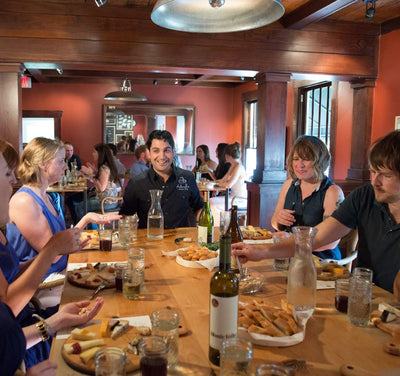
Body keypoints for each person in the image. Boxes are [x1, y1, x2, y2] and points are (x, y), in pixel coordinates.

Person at [232, 130, 400, 297]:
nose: (374, 182)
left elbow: (329, 244)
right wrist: (261, 252)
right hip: (365, 294)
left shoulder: (332, 191)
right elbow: (315, 238)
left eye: (385, 175)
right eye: (372, 172)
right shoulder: (365, 195)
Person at [0, 138, 105, 374]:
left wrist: (86, 220)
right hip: (44, 287)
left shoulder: (48, 196)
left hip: (33, 305)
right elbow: (55, 255)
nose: (13, 181)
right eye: (7, 174)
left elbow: (55, 248)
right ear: (44, 164)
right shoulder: (25, 200)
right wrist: (55, 249)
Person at [271, 135, 344, 259]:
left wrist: (294, 242)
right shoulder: (288, 185)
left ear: (320, 161)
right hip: (290, 253)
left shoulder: (333, 192)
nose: (300, 165)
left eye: (306, 159)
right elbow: (274, 222)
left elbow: (331, 241)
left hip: (320, 259)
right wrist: (279, 219)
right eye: (296, 159)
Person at [119, 130, 204, 228]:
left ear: (173, 151)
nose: (162, 156)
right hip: (149, 240)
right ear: (149, 153)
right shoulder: (137, 183)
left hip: (181, 240)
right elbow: (125, 215)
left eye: (166, 150)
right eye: (156, 150)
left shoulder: (187, 177)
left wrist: (201, 224)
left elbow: (198, 207)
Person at [70, 143, 122, 224]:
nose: (92, 154)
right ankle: (87, 227)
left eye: (94, 152)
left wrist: (91, 174)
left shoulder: (104, 168)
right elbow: (101, 181)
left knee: (79, 207)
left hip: (107, 202)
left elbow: (101, 188)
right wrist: (93, 172)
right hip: (106, 200)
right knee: (82, 204)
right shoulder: (104, 166)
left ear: (100, 154)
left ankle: (84, 229)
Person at [209, 142, 248, 223]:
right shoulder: (233, 166)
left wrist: (215, 184)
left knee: (212, 204)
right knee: (211, 201)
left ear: (228, 155)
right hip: (231, 197)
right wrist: (211, 182)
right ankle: (218, 226)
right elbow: (223, 180)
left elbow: (228, 184)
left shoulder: (238, 167)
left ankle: (219, 228)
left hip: (239, 199)